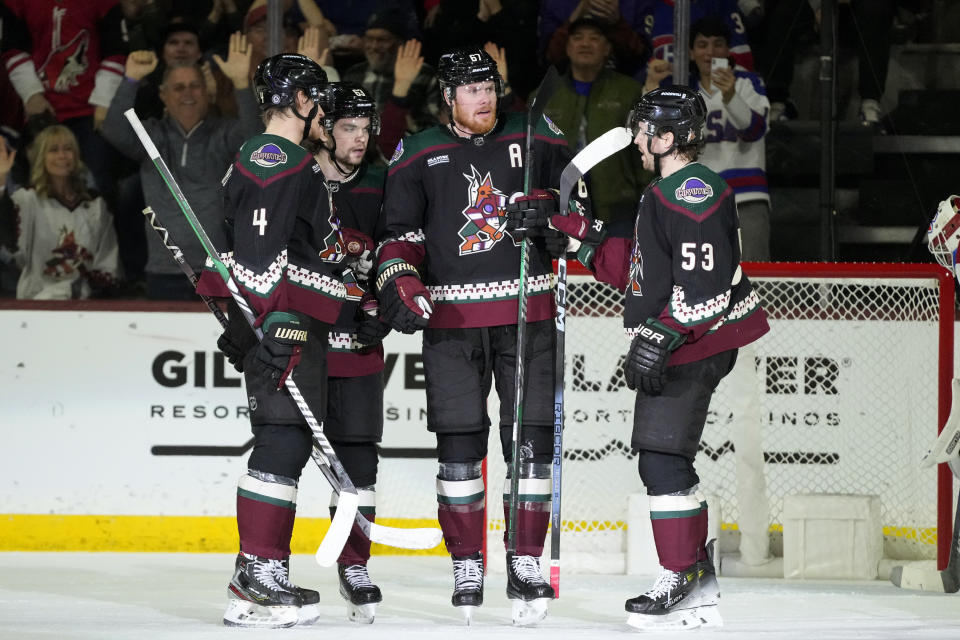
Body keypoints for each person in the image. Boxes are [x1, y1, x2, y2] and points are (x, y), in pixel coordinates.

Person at [511, 87, 769, 629]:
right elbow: (645, 267)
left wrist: (661, 334)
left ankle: (684, 578)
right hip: (694, 335)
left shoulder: (693, 192)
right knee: (662, 456)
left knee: (661, 457)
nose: (637, 138)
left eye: (645, 129)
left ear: (669, 137)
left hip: (700, 339)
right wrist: (578, 239)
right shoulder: (668, 189)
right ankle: (694, 577)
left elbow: (707, 289)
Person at [374, 47, 576, 626]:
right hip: (452, 326)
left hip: (526, 315)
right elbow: (398, 236)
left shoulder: (536, 135)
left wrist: (554, 219)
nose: (484, 97)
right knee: (459, 446)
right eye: (471, 90)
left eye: (489, 87)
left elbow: (578, 205)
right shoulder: (418, 151)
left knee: (531, 441)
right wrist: (402, 278)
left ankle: (526, 560)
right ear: (448, 97)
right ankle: (467, 562)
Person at [194, 53, 348, 628]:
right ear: (301, 101)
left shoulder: (275, 159)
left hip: (288, 321)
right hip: (286, 324)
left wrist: (245, 324)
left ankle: (260, 573)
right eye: (317, 101)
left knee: (287, 441)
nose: (322, 112)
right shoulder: (276, 158)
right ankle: (256, 578)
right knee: (281, 442)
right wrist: (272, 323)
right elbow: (259, 258)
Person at [311, 81, 392, 623]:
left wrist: (384, 308)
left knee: (358, 459)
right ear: (322, 128)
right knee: (287, 454)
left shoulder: (383, 184)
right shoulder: (294, 177)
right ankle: (267, 565)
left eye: (365, 129)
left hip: (358, 341)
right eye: (347, 128)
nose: (358, 139)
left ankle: (354, 562)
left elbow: (403, 253)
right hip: (304, 340)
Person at [101, 35, 262, 300]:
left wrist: (242, 84)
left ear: (207, 93)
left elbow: (257, 141)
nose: (187, 93)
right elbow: (113, 131)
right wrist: (130, 80)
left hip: (219, 272)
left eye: (195, 86)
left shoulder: (224, 133)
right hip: (163, 272)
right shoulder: (152, 135)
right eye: (178, 88)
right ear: (163, 96)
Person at [543, 16, 651, 237]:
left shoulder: (628, 91)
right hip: (562, 210)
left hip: (619, 210)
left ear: (607, 48)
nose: (585, 43)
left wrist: (646, 202)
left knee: (619, 269)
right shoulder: (545, 95)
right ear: (567, 47)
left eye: (594, 38)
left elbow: (643, 154)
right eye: (578, 37)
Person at [0, 125, 119, 300]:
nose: (62, 156)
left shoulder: (95, 206)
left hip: (84, 306)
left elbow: (107, 263)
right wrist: (1, 181)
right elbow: (11, 243)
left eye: (68, 149)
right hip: (35, 303)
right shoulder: (27, 200)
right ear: (41, 157)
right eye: (53, 150)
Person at [688, 16, 771, 260]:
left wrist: (731, 96)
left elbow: (755, 129)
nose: (710, 52)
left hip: (748, 197)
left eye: (718, 44)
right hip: (700, 202)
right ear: (691, 53)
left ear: (728, 51)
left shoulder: (748, 82)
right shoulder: (686, 93)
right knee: (705, 284)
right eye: (702, 45)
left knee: (756, 280)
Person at [342, 11, 441, 143]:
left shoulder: (424, 75)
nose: (374, 46)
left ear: (400, 43)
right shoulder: (354, 74)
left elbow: (433, 129)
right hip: (360, 154)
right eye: (369, 39)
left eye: (382, 40)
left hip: (408, 152)